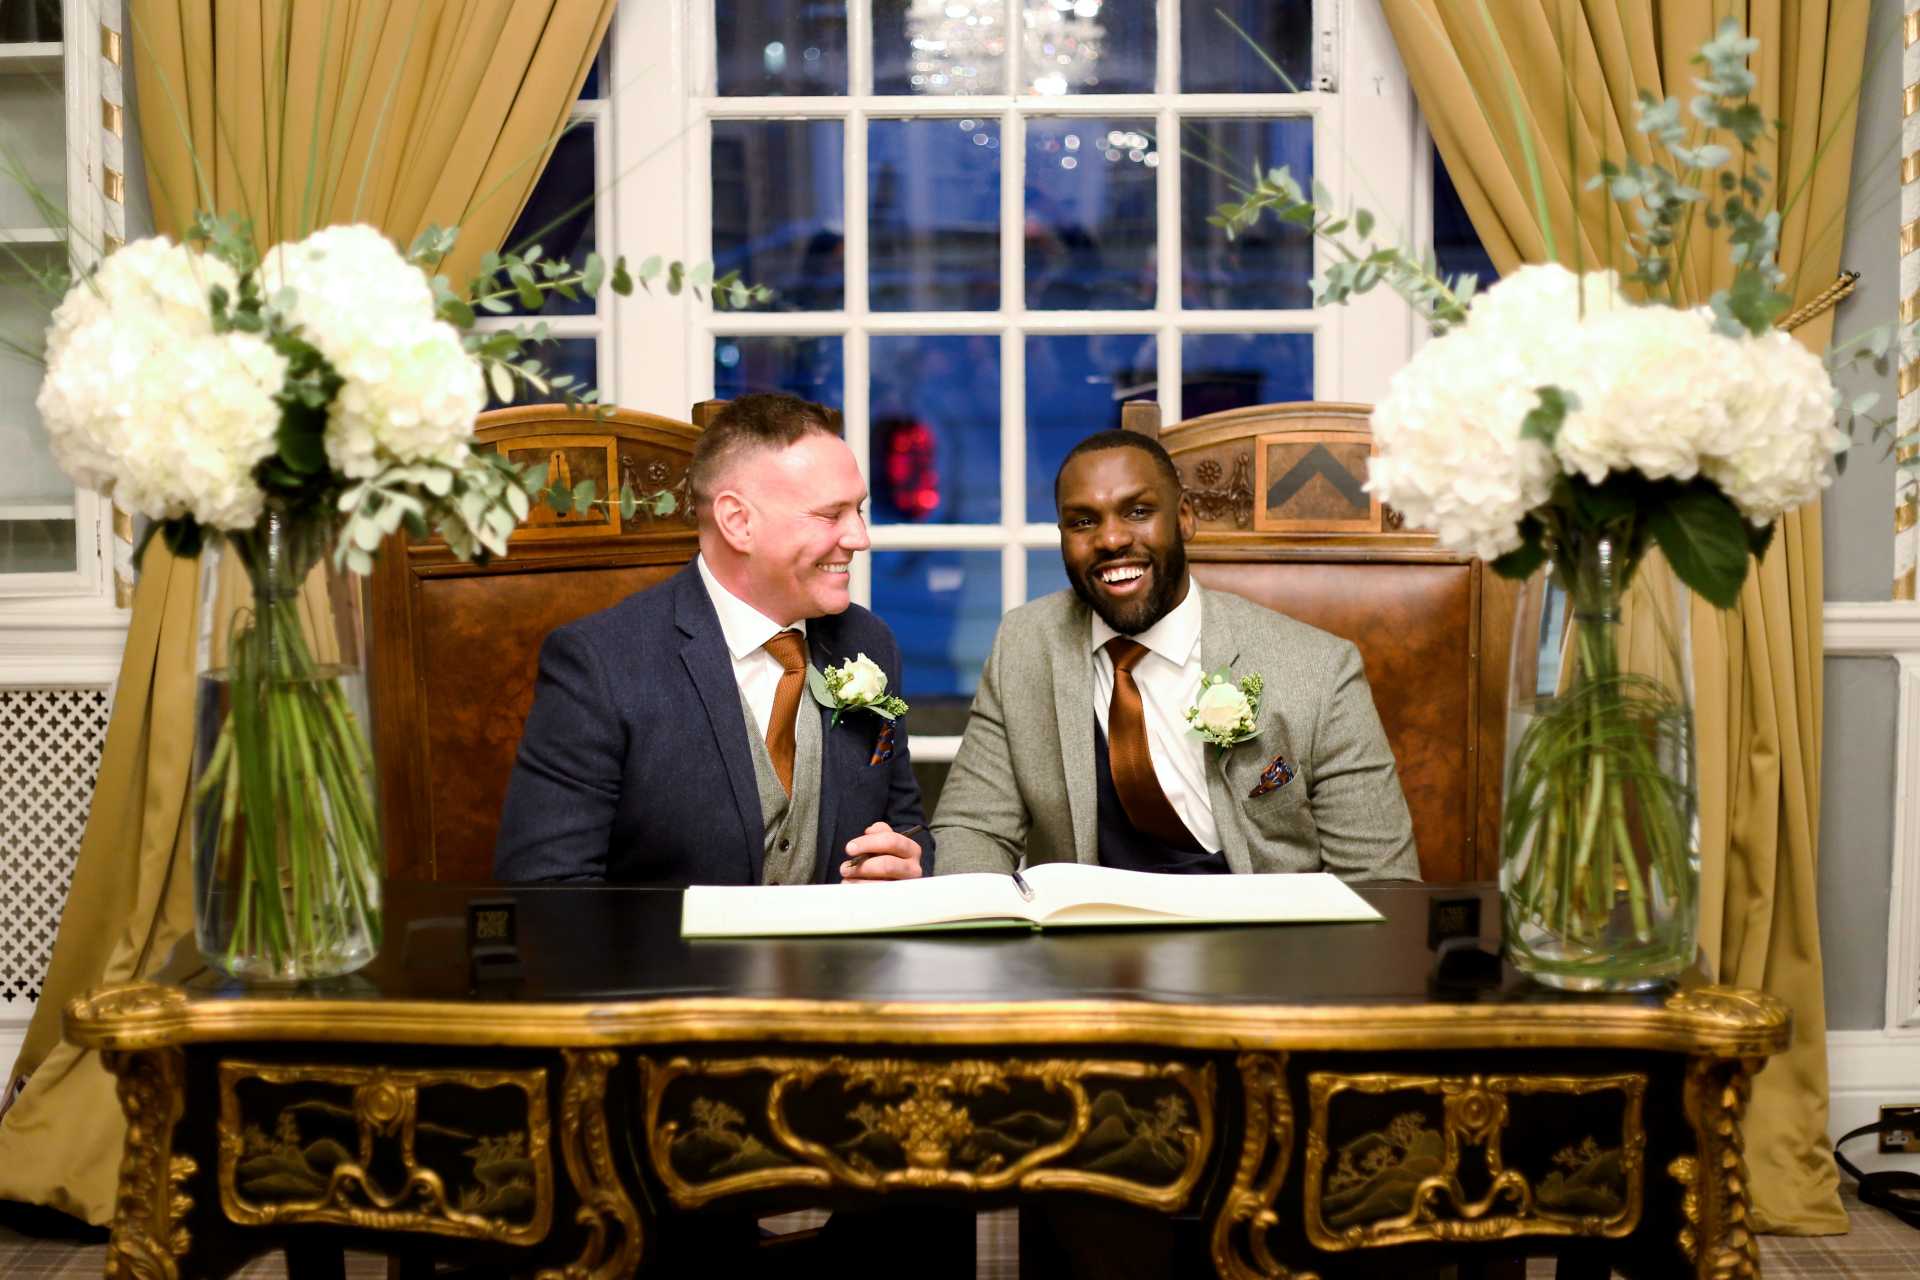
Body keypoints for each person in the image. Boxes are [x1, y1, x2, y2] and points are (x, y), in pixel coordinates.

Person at [932, 428, 1417, 881]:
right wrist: (986, 922)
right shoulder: (1025, 645)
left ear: (1184, 517)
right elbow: (972, 828)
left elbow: (1379, 882)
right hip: (1088, 941)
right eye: (1083, 522)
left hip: (1262, 938)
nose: (1111, 539)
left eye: (1138, 512)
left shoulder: (1319, 670)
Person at [495, 392, 930, 885]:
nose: (859, 537)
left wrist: (908, 863)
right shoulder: (599, 666)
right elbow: (548, 892)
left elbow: (909, 828)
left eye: (859, 511)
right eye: (831, 515)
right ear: (738, 522)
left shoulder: (868, 643)